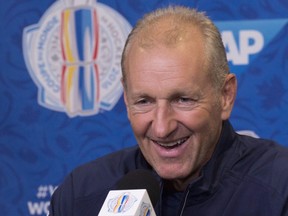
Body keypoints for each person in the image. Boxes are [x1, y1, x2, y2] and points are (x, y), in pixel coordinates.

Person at [49, 6, 288, 216]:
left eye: (183, 99)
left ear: (225, 96)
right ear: (126, 99)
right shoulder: (78, 195)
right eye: (144, 101)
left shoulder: (280, 188)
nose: (162, 128)